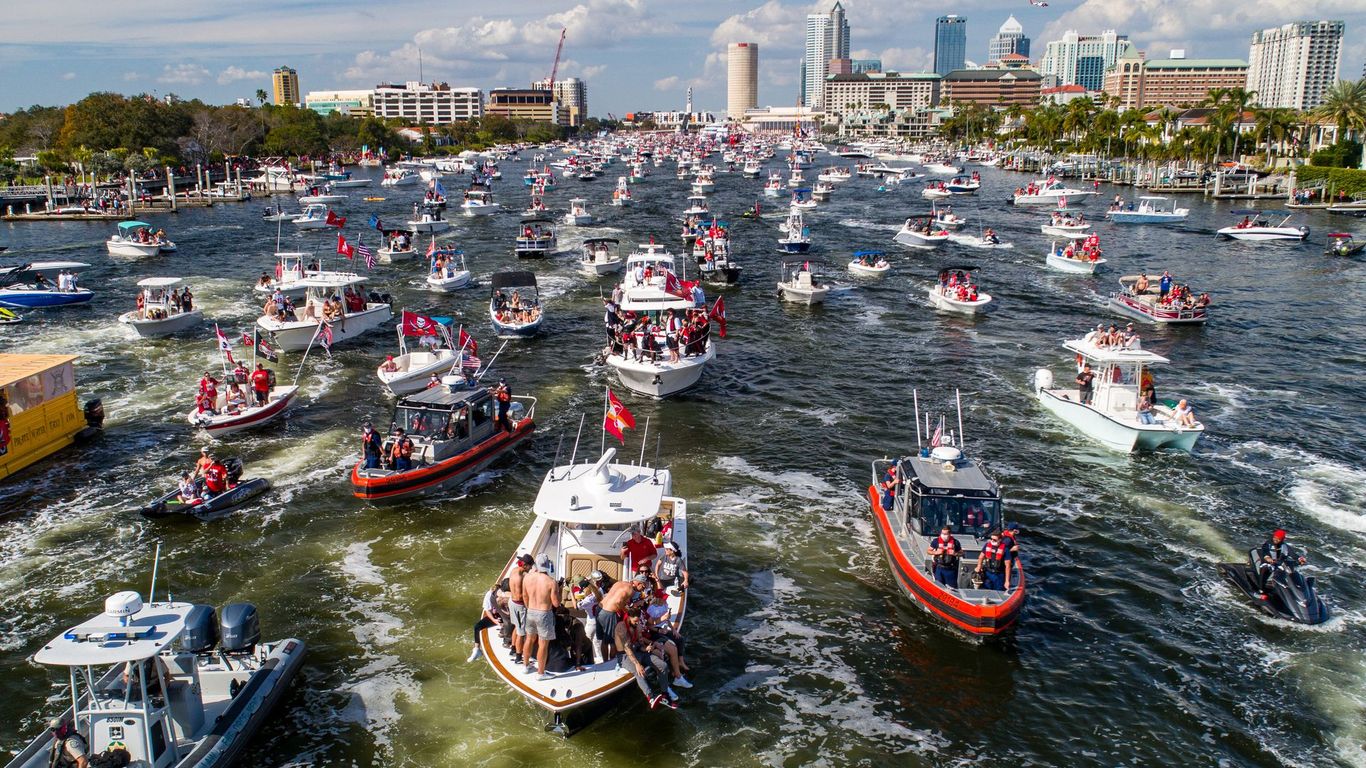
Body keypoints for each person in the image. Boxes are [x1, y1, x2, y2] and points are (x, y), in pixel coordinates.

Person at [522, 554, 562, 680]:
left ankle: (526, 666)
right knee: (543, 644)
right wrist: (559, 591)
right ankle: (540, 673)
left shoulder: (527, 578)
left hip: (530, 611)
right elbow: (556, 603)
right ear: (548, 565)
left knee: (529, 639)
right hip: (544, 614)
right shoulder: (551, 582)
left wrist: (530, 607)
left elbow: (524, 596)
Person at [596, 576, 635, 662]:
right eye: (642, 586)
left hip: (599, 608)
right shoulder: (630, 589)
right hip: (609, 613)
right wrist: (626, 610)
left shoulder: (619, 583)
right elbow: (618, 602)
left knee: (604, 639)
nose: (642, 588)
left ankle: (605, 662)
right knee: (613, 640)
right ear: (637, 583)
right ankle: (611, 662)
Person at [508, 554, 533, 665]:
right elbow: (519, 596)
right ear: (525, 565)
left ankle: (513, 648)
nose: (531, 568)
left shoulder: (514, 570)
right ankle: (518, 657)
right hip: (519, 606)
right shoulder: (520, 577)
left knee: (517, 627)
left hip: (512, 602)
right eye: (530, 566)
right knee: (521, 633)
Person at [468, 582, 502, 663]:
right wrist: (494, 620)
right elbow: (487, 610)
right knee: (477, 626)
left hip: (505, 614)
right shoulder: (489, 594)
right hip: (496, 615)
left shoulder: (503, 594)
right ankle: (477, 649)